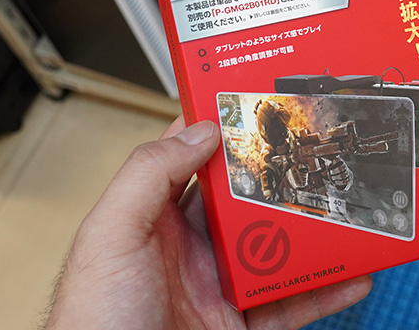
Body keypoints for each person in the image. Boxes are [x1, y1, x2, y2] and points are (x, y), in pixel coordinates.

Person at [42, 116, 372, 330]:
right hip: (287, 237)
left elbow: (337, 184)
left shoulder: (304, 146)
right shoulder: (269, 163)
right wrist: (291, 179)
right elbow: (270, 200)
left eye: (283, 131)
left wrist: (334, 169)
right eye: (276, 133)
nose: (283, 137)